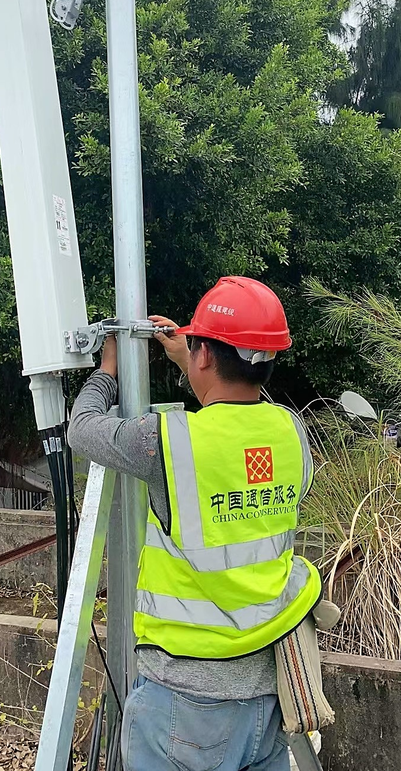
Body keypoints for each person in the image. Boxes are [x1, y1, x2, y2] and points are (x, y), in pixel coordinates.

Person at [68, 276, 321, 771]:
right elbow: (240, 421)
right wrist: (192, 356)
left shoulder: (166, 441)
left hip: (185, 703)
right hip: (270, 692)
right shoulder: (291, 431)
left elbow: (81, 429)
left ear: (206, 355)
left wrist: (108, 371)